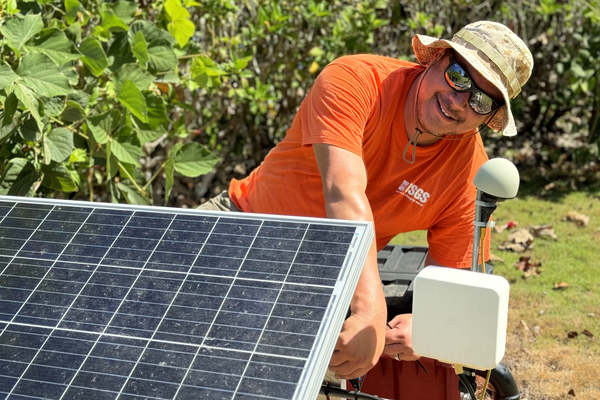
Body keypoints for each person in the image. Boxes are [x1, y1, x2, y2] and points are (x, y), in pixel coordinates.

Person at [199, 21, 534, 379]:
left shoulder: (470, 177)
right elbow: (343, 192)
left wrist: (425, 329)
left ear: (488, 118)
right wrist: (371, 307)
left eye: (480, 100)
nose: (458, 101)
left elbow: (449, 287)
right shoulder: (354, 80)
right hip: (243, 224)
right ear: (436, 59)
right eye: (458, 76)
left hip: (326, 278)